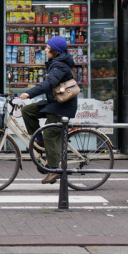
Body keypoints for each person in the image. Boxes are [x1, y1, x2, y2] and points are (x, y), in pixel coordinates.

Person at [18, 36, 78, 185]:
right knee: (27, 111)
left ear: (55, 50)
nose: (45, 50)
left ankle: (53, 169)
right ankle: (39, 141)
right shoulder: (56, 62)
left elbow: (49, 83)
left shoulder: (60, 65)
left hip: (63, 106)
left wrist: (29, 93)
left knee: (50, 134)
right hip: (54, 102)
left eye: (47, 47)